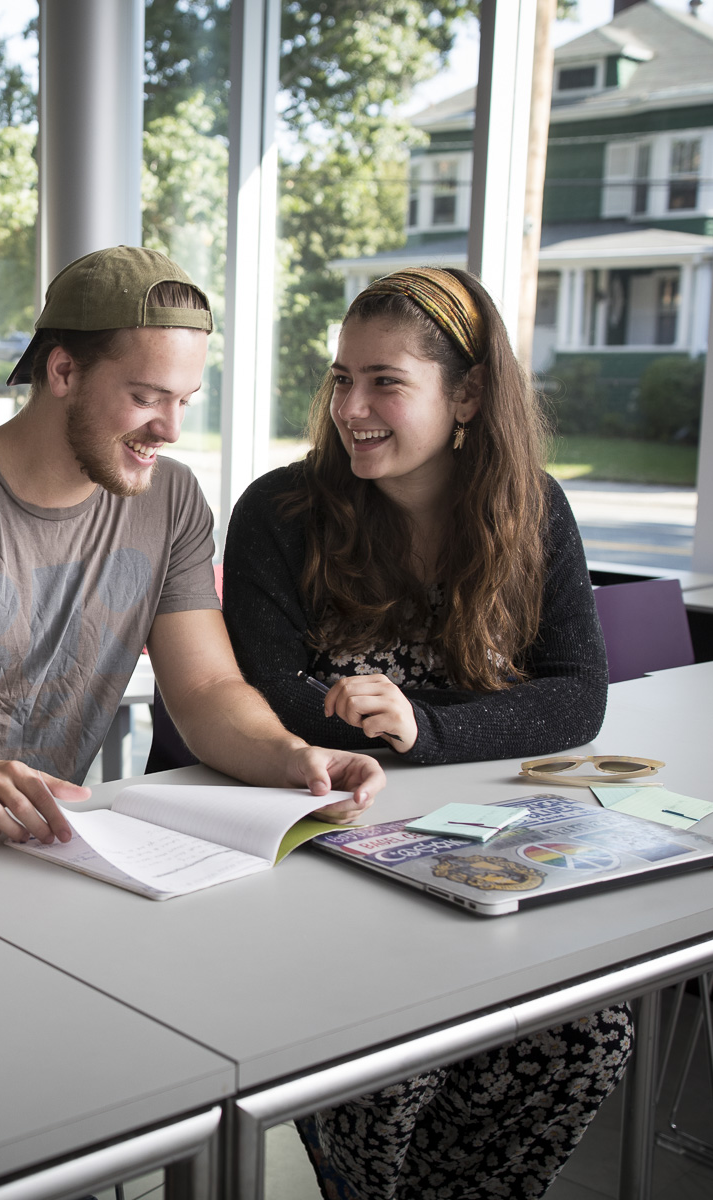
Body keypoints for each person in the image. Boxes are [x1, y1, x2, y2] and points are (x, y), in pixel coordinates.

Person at [221, 266, 626, 1198]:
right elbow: (262, 690)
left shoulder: (533, 510)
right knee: (386, 1070)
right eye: (341, 379)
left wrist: (426, 730)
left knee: (592, 1037)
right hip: (324, 855)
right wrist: (370, 736)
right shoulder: (282, 512)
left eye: (385, 382)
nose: (352, 406)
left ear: (470, 395)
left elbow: (578, 696)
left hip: (474, 857)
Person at [0, 246, 385, 847]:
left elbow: (205, 691)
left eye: (185, 401)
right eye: (147, 398)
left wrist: (294, 759)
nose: (171, 430)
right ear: (63, 372)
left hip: (47, 843)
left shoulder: (168, 497)